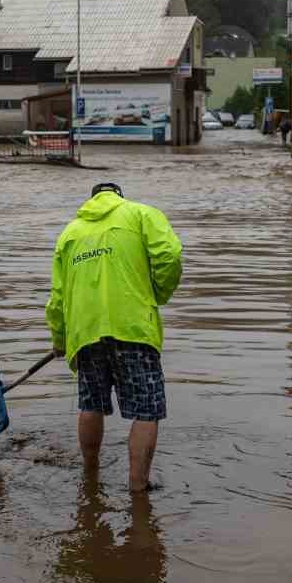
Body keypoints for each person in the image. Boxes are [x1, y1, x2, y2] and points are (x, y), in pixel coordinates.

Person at [46, 183, 182, 491]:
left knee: (91, 404)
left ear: (91, 200)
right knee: (147, 410)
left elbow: (57, 298)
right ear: (120, 196)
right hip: (133, 329)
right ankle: (137, 486)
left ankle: (90, 475)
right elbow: (169, 255)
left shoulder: (70, 233)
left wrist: (60, 337)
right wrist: (158, 293)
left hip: (85, 333)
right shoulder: (141, 214)